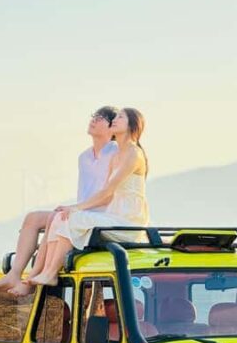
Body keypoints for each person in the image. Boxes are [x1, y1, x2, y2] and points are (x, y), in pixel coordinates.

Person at [0, 106, 119, 293]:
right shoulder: (84, 157)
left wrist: (75, 209)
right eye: (94, 115)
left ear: (113, 128)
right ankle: (15, 274)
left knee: (56, 218)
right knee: (33, 218)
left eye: (102, 117)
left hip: (101, 214)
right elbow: (85, 192)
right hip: (82, 210)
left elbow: (109, 194)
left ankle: (32, 280)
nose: (94, 119)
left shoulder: (116, 153)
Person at [24, 108, 149, 288]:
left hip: (128, 222)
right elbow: (106, 193)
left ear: (132, 125)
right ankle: (47, 272)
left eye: (120, 117)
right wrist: (73, 209)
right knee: (61, 217)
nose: (115, 119)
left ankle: (50, 272)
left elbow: (108, 190)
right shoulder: (117, 156)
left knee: (73, 217)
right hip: (114, 217)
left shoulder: (134, 153)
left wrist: (76, 207)